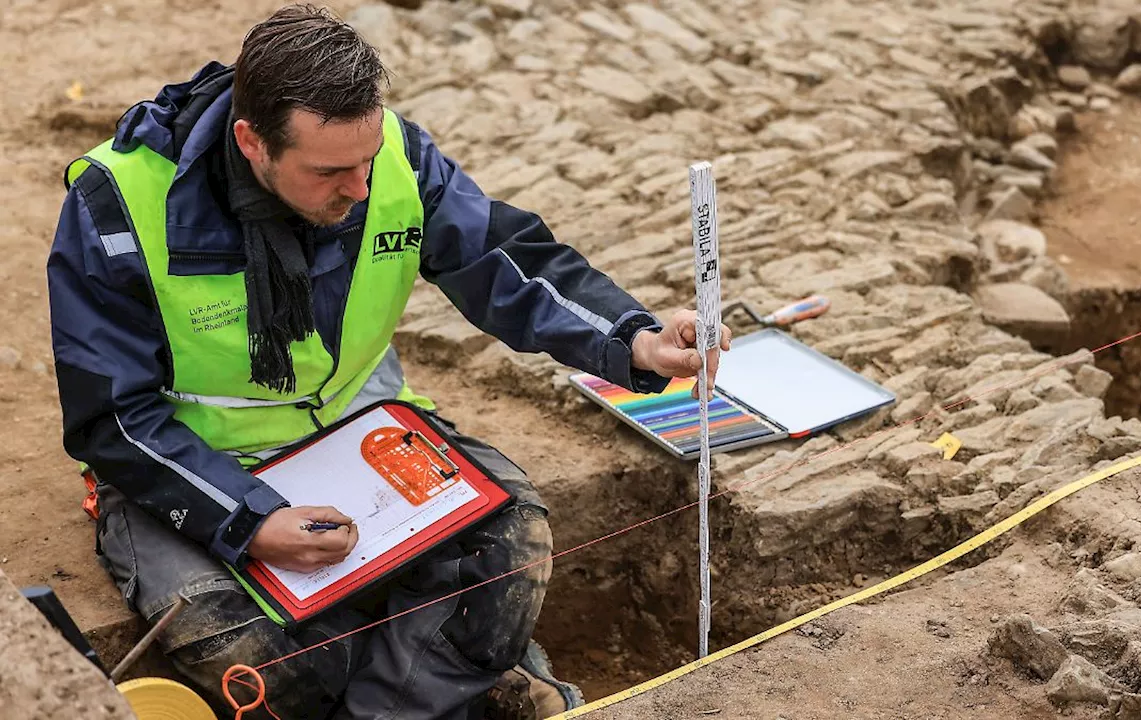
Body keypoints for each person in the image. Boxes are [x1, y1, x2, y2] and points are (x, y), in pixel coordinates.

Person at [46, 5, 729, 719]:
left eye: (367, 161)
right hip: (191, 469)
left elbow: (500, 260)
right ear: (251, 141)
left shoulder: (389, 156)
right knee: (259, 661)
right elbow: (113, 418)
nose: (362, 190)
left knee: (508, 546)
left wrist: (635, 338)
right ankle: (482, 687)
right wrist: (247, 521)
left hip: (357, 433)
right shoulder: (118, 206)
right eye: (331, 171)